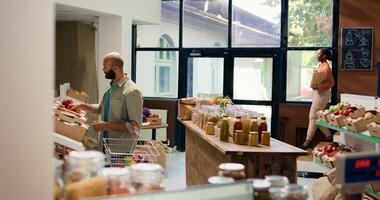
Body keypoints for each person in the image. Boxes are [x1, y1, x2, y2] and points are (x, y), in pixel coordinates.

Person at [72, 52, 143, 147]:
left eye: (105, 67)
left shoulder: (132, 91)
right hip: (105, 144)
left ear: (115, 69)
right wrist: (81, 106)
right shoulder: (111, 89)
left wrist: (106, 126)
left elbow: (135, 127)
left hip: (121, 150)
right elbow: (101, 108)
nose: (103, 70)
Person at [300, 48, 335, 149]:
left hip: (322, 94)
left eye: (318, 53)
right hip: (318, 94)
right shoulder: (321, 65)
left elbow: (332, 83)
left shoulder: (326, 67)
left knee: (312, 117)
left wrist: (318, 86)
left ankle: (307, 141)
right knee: (317, 117)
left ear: (323, 56)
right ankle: (328, 136)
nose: (316, 55)